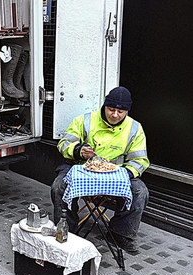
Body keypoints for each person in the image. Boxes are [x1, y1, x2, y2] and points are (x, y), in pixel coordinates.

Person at [51, 86, 150, 253]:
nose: (115, 115)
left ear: (127, 111)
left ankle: (121, 234)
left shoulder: (135, 128)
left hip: (116, 172)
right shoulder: (84, 120)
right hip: (81, 167)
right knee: (59, 187)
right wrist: (78, 150)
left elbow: (140, 160)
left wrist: (124, 174)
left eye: (121, 111)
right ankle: (67, 230)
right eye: (111, 109)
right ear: (104, 106)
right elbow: (64, 144)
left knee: (140, 191)